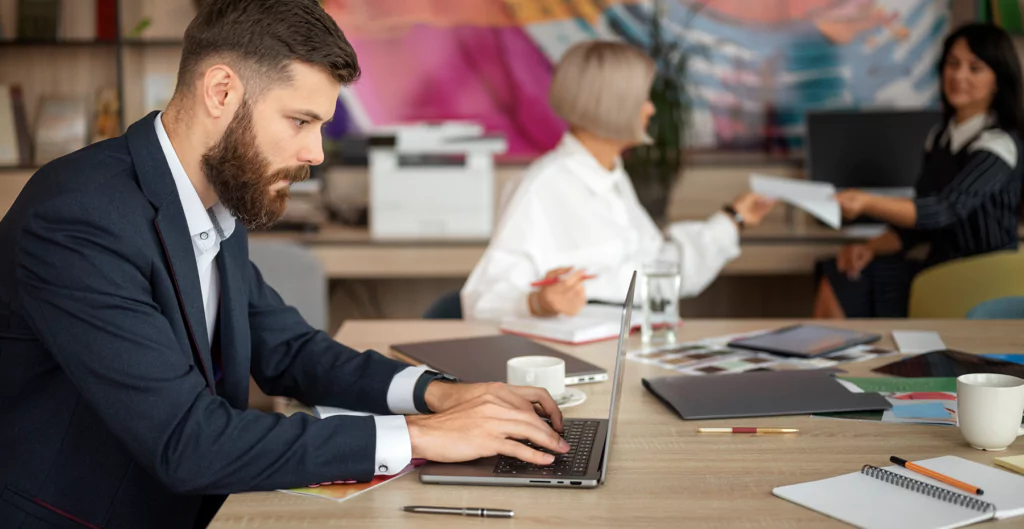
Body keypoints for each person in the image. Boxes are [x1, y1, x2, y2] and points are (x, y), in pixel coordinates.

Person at [0, 2, 568, 528]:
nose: (316, 153)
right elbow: (187, 442)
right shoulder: (78, 220)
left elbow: (291, 351)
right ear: (221, 91)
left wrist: (442, 395)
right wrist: (423, 436)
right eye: (300, 121)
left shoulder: (211, 197)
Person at [461, 41, 776, 322]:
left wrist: (734, 219)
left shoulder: (611, 177)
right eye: (643, 99)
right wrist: (539, 302)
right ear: (612, 104)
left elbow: (657, 271)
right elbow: (481, 301)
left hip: (638, 341)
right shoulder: (543, 187)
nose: (651, 109)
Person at [815, 23, 1024, 318]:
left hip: (983, 275)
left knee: (852, 285)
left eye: (974, 68)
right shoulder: (939, 137)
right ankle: (838, 363)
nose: (958, 75)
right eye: (952, 64)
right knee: (840, 273)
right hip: (941, 268)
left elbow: (944, 209)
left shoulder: (999, 145)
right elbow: (918, 224)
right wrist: (871, 247)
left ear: (998, 80)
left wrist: (867, 201)